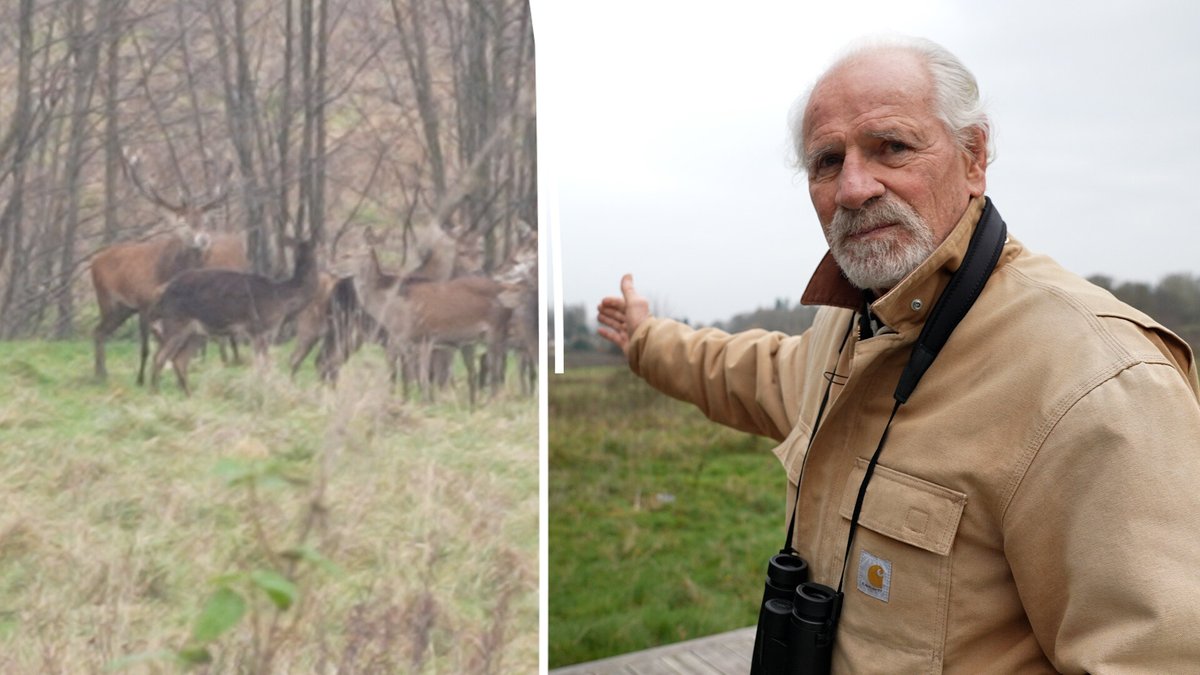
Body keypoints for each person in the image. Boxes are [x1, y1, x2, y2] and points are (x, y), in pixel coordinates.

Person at [596, 35, 1200, 673]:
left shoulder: (1098, 381)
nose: (854, 188)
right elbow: (752, 373)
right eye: (828, 161)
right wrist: (644, 338)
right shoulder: (855, 324)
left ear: (974, 157)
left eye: (892, 147)